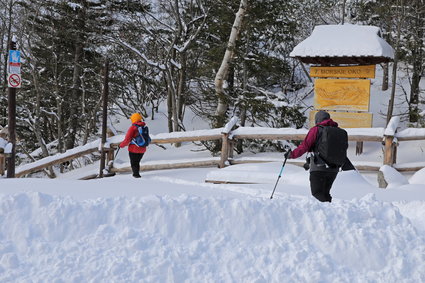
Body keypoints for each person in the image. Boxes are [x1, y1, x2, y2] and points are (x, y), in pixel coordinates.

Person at [286, 110, 351, 202]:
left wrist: (291, 155)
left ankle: (328, 213)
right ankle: (331, 212)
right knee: (325, 193)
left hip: (319, 167)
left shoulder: (316, 129)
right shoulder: (340, 131)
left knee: (317, 193)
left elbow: (305, 146)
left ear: (317, 119)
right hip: (334, 168)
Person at [119, 113, 147, 178]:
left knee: (134, 163)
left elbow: (127, 139)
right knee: (137, 162)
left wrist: (121, 145)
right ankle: (136, 174)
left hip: (134, 149)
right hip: (142, 148)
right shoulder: (144, 127)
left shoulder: (133, 128)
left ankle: (136, 176)